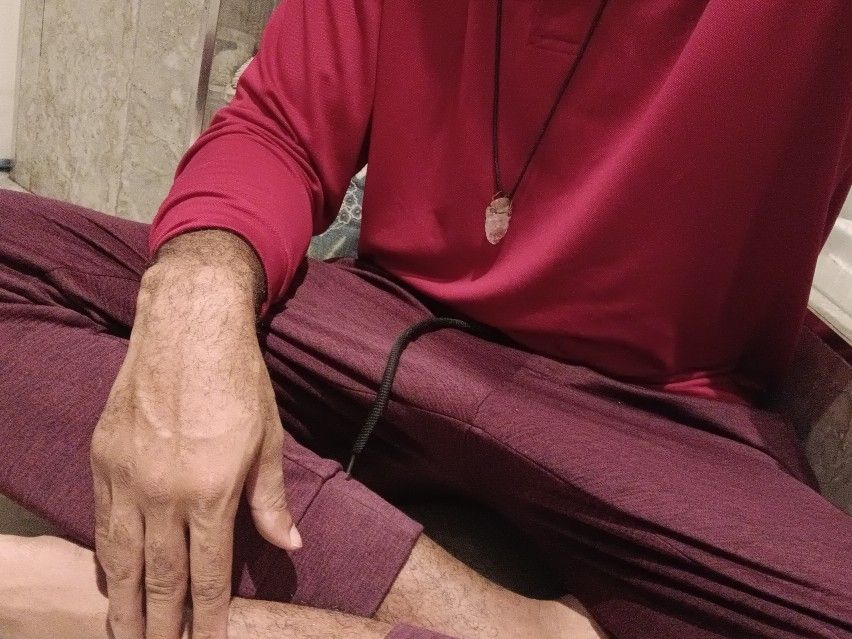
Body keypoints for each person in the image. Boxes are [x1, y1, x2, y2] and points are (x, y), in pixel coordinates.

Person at [1, 1, 851, 638]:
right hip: (380, 332)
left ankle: (108, 612)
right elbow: (283, 127)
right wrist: (194, 295)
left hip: (666, 416)